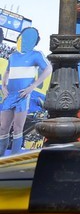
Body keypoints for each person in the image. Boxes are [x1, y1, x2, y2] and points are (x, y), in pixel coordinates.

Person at [0, 27, 51, 157]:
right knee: (3, 128)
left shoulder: (36, 55)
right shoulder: (13, 56)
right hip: (9, 96)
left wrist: (32, 86)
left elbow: (48, 69)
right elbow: (7, 72)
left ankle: (14, 158)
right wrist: (4, 87)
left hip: (22, 96)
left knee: (18, 128)